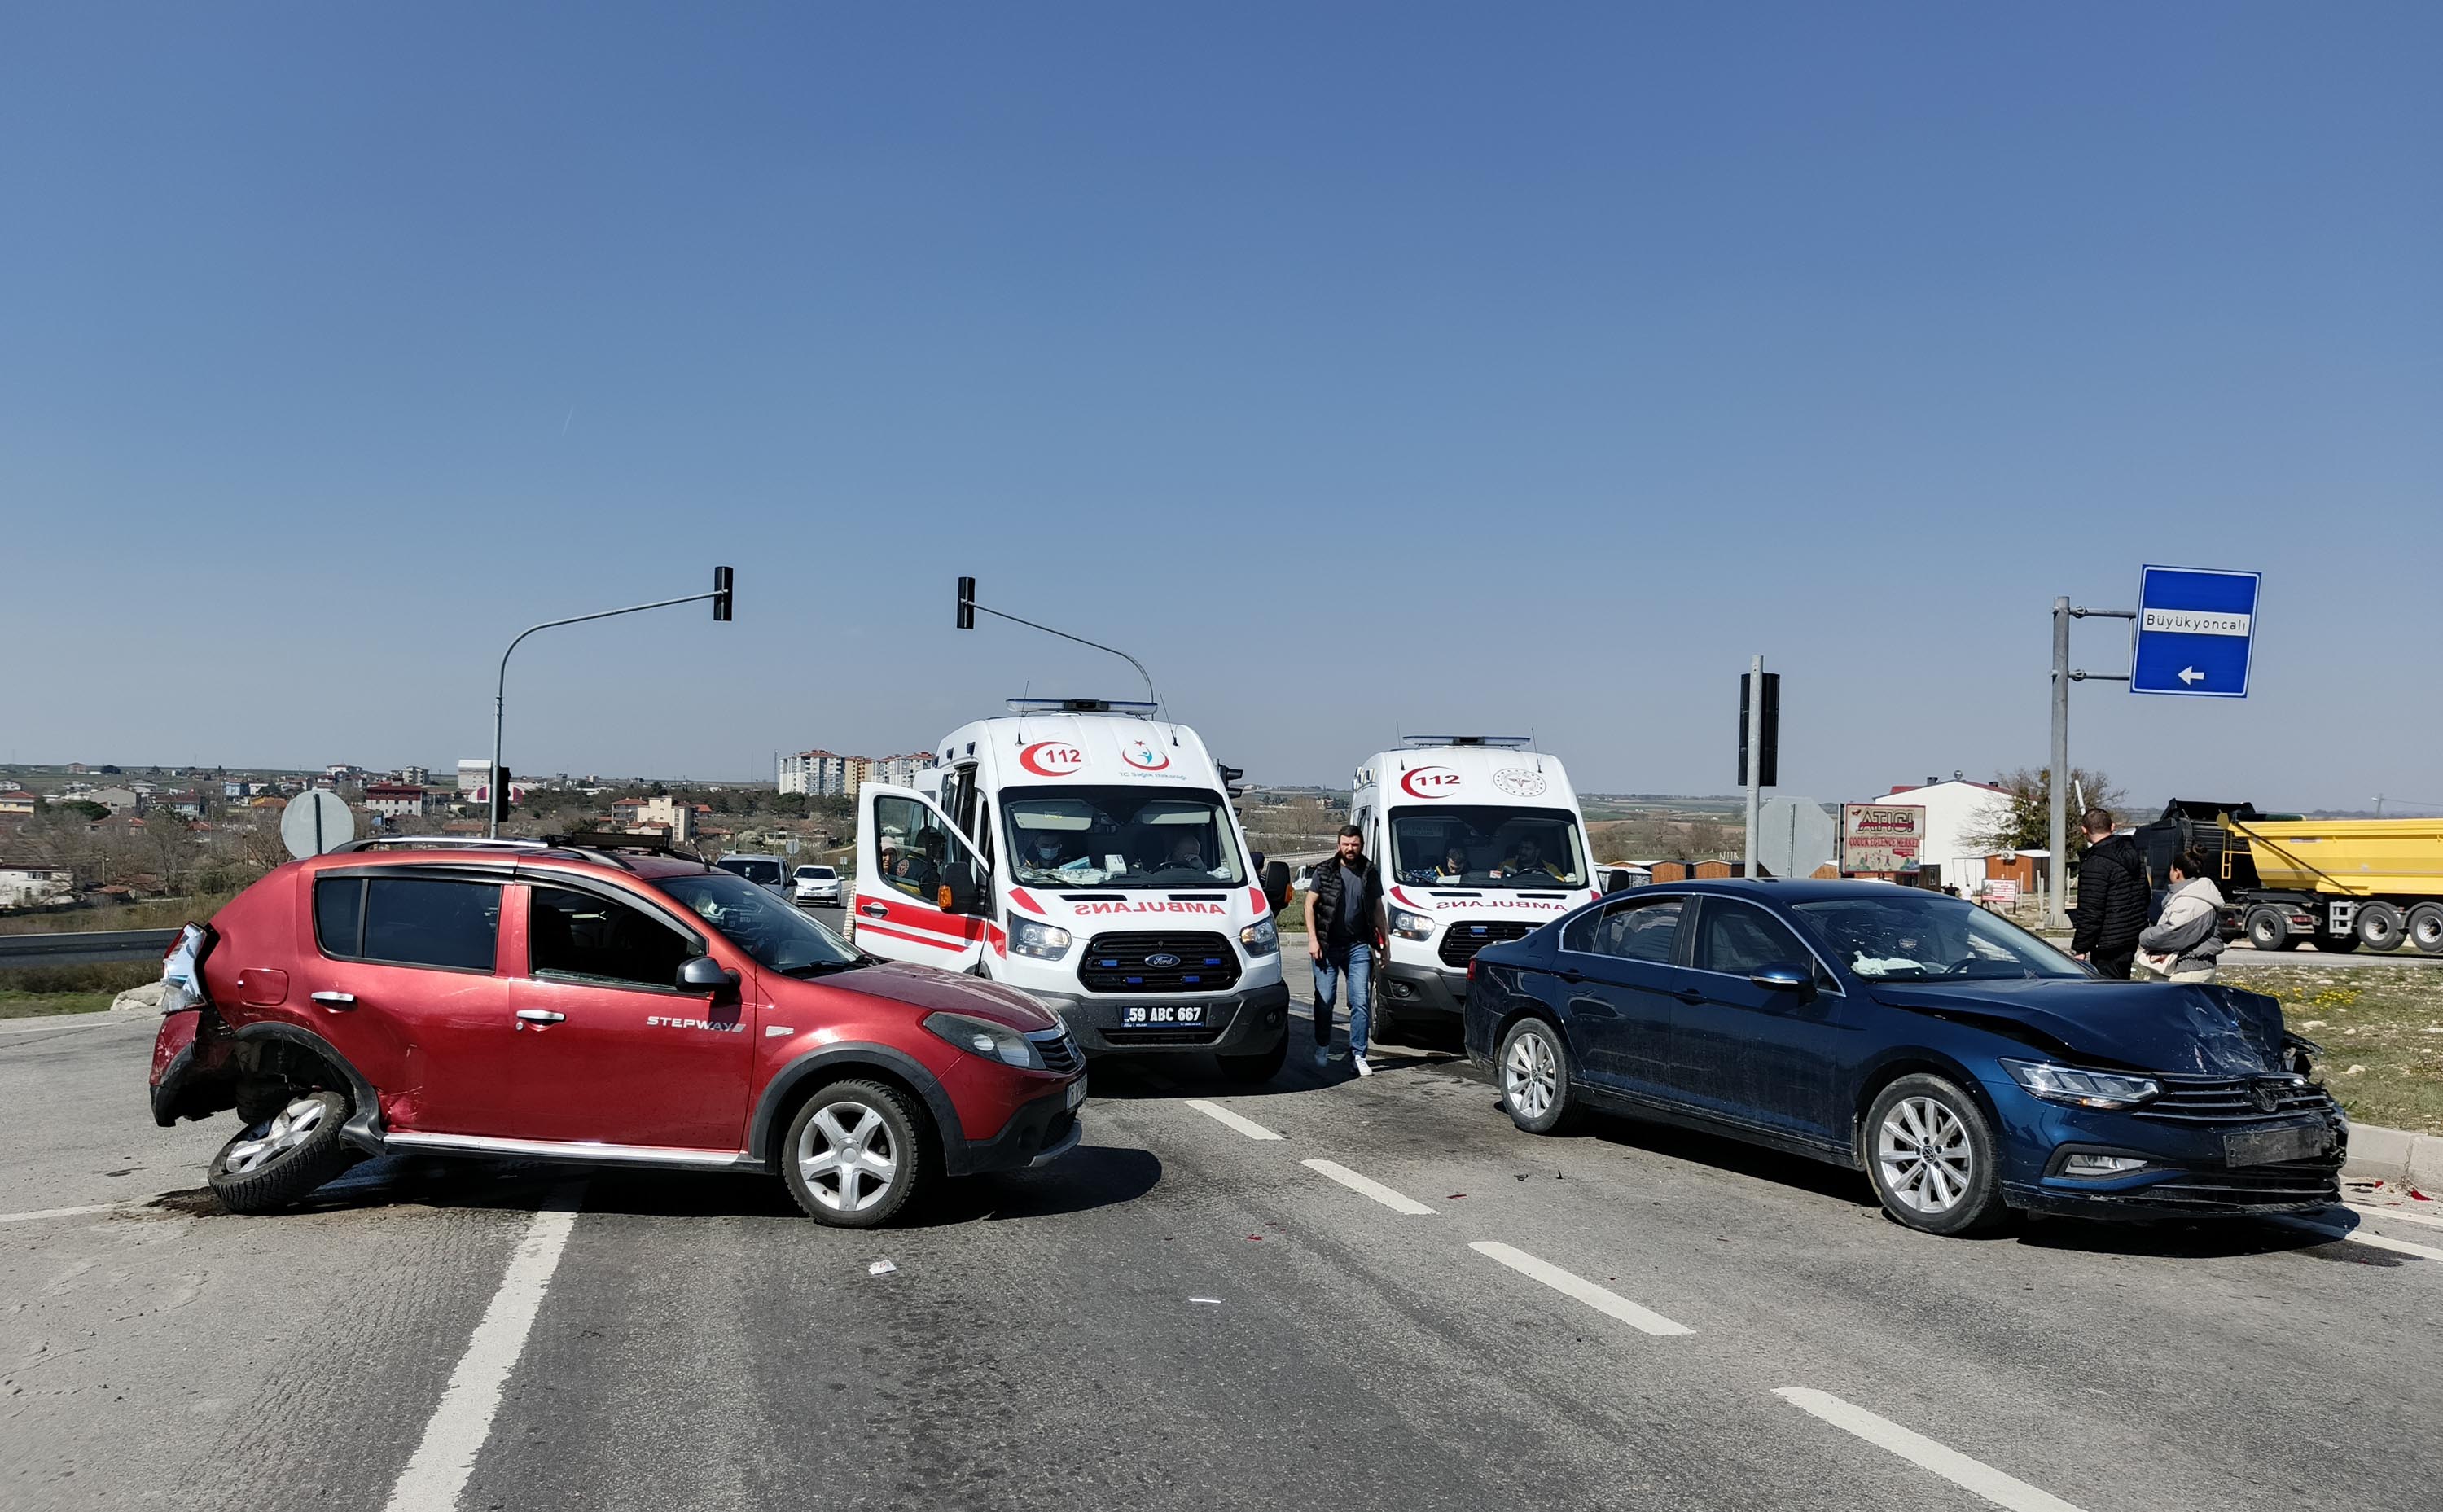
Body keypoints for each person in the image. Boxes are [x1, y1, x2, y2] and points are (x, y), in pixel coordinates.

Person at [1304, 824, 1386, 1077]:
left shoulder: (1369, 871)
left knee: (1360, 1001)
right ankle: (1322, 1044)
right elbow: (1309, 905)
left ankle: (1358, 1055)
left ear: (1361, 845)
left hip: (1357, 946)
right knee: (1326, 1000)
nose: (1350, 848)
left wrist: (1385, 945)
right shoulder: (1325, 870)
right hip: (1326, 945)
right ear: (1339, 845)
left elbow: (1378, 908)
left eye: (1355, 844)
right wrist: (1312, 939)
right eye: (1346, 844)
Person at [2069, 808, 2149, 979]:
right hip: (2131, 935)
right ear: (2112, 826)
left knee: (2108, 988)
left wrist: (2080, 948)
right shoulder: (2133, 855)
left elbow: (2091, 910)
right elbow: (2145, 895)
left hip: (2107, 942)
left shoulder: (2096, 863)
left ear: (2084, 830)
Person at [2138, 848, 2226, 983]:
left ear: (2178, 873)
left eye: (2171, 869)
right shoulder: (2195, 894)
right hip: (2190, 968)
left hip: (2186, 971)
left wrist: (2145, 936)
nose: (2170, 873)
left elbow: (2172, 933)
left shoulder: (2193, 900)